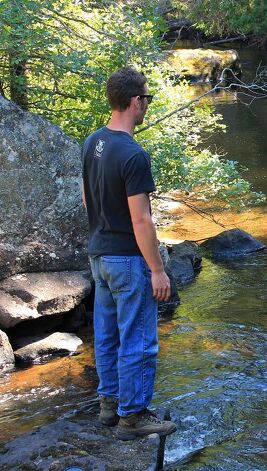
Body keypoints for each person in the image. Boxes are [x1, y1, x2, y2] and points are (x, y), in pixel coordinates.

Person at [82, 67, 177, 441]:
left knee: (106, 335)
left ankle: (109, 405)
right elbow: (142, 220)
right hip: (127, 258)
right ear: (135, 101)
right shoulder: (134, 155)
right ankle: (133, 417)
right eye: (147, 99)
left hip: (99, 255)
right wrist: (157, 270)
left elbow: (87, 198)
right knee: (138, 338)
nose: (147, 106)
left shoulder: (93, 142)